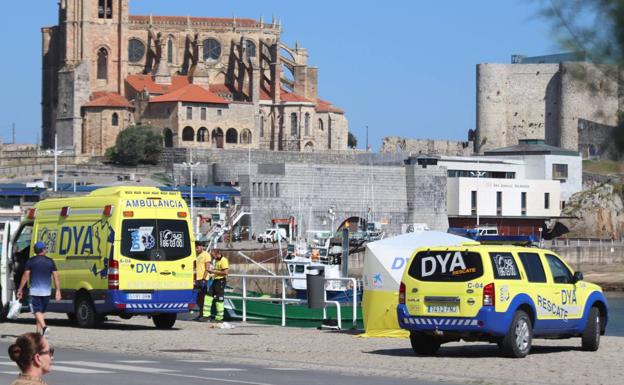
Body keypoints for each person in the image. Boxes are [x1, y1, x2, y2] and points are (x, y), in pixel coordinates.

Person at [17, 242, 61, 337]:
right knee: (40, 313)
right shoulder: (50, 261)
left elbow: (25, 276)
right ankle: (38, 334)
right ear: (43, 250)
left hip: (35, 292)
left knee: (36, 312)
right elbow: (56, 276)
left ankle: (44, 328)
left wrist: (20, 289)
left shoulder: (31, 261)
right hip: (46, 292)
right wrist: (58, 290)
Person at [203, 248, 229, 326]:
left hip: (221, 281)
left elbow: (225, 272)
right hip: (215, 280)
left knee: (219, 299)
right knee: (208, 296)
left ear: (217, 253)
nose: (212, 256)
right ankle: (206, 316)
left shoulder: (224, 260)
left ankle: (219, 318)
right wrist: (212, 274)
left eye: (212, 254)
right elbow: (218, 271)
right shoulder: (216, 260)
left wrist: (213, 272)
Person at [194, 241, 211, 321]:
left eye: (197, 248)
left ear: (201, 247)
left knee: (203, 298)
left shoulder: (206, 255)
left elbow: (207, 268)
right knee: (198, 298)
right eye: (195, 248)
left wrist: (204, 279)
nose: (196, 249)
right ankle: (200, 314)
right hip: (197, 279)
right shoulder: (198, 256)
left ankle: (204, 315)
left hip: (203, 279)